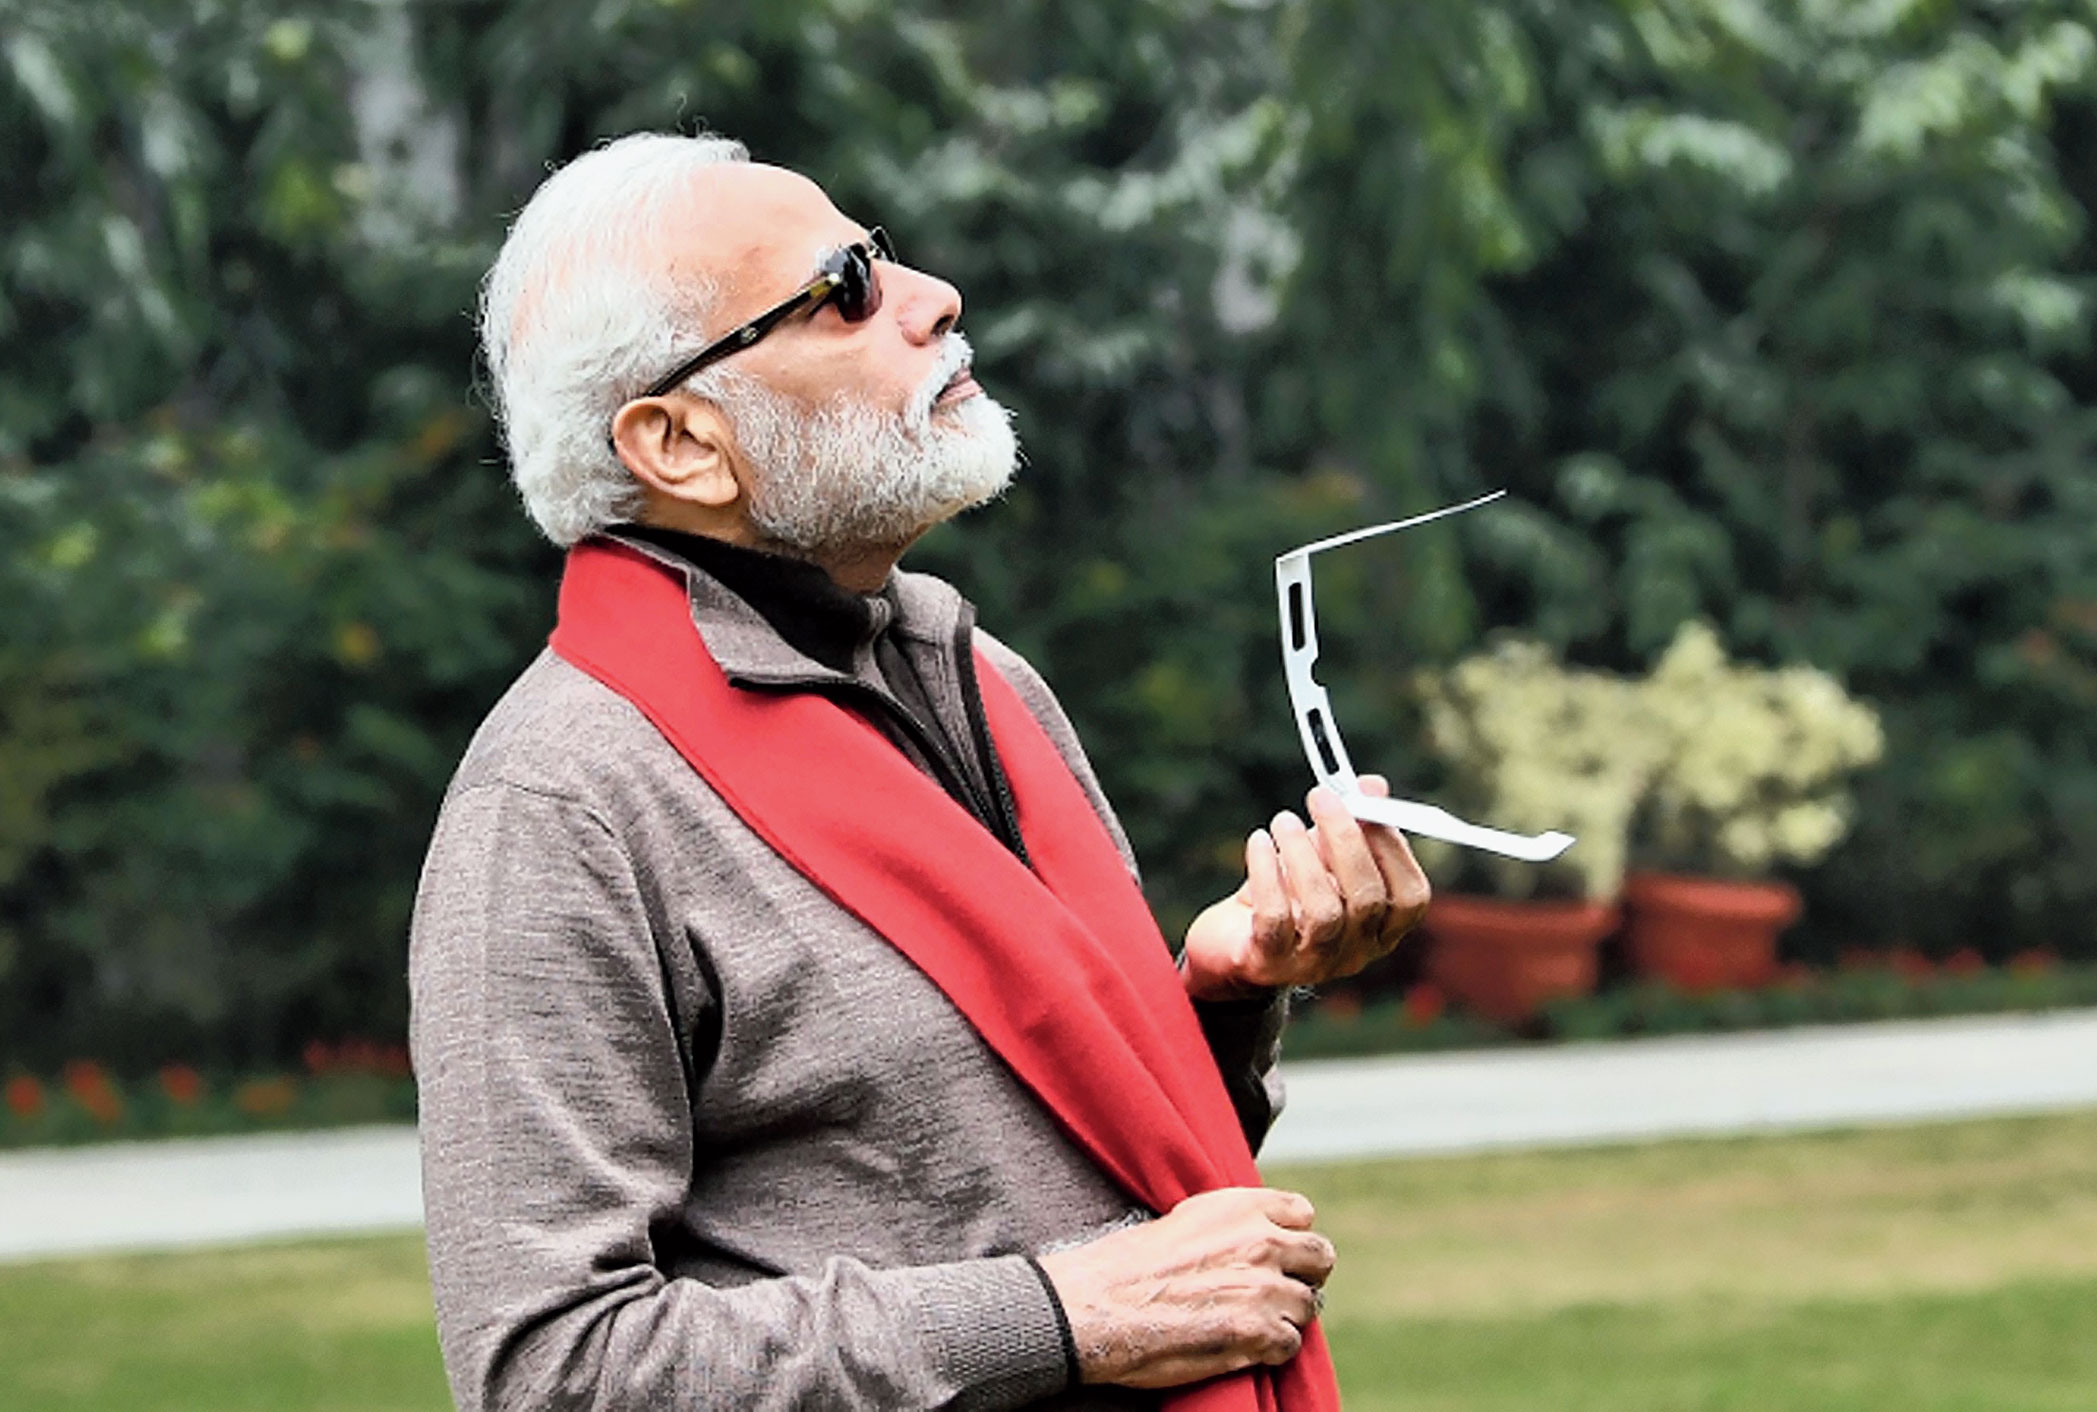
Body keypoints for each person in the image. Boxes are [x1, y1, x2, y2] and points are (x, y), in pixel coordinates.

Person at [409, 131, 1431, 1412]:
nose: (931, 296)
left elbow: (1057, 1175)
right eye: (844, 288)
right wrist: (1061, 1314)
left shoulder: (979, 676)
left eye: (879, 252)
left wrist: (1221, 1005)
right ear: (679, 442)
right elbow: (550, 1369)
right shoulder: (562, 800)